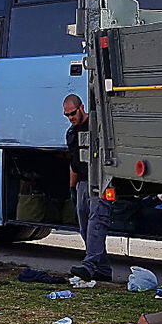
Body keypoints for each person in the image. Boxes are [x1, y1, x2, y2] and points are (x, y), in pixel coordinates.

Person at [63, 94, 113, 282]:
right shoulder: (71, 133)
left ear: (81, 107)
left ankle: (90, 264)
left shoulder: (96, 126)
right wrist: (72, 188)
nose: (71, 118)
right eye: (67, 115)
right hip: (83, 182)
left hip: (99, 180)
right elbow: (74, 163)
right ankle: (103, 269)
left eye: (73, 113)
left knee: (96, 223)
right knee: (85, 227)